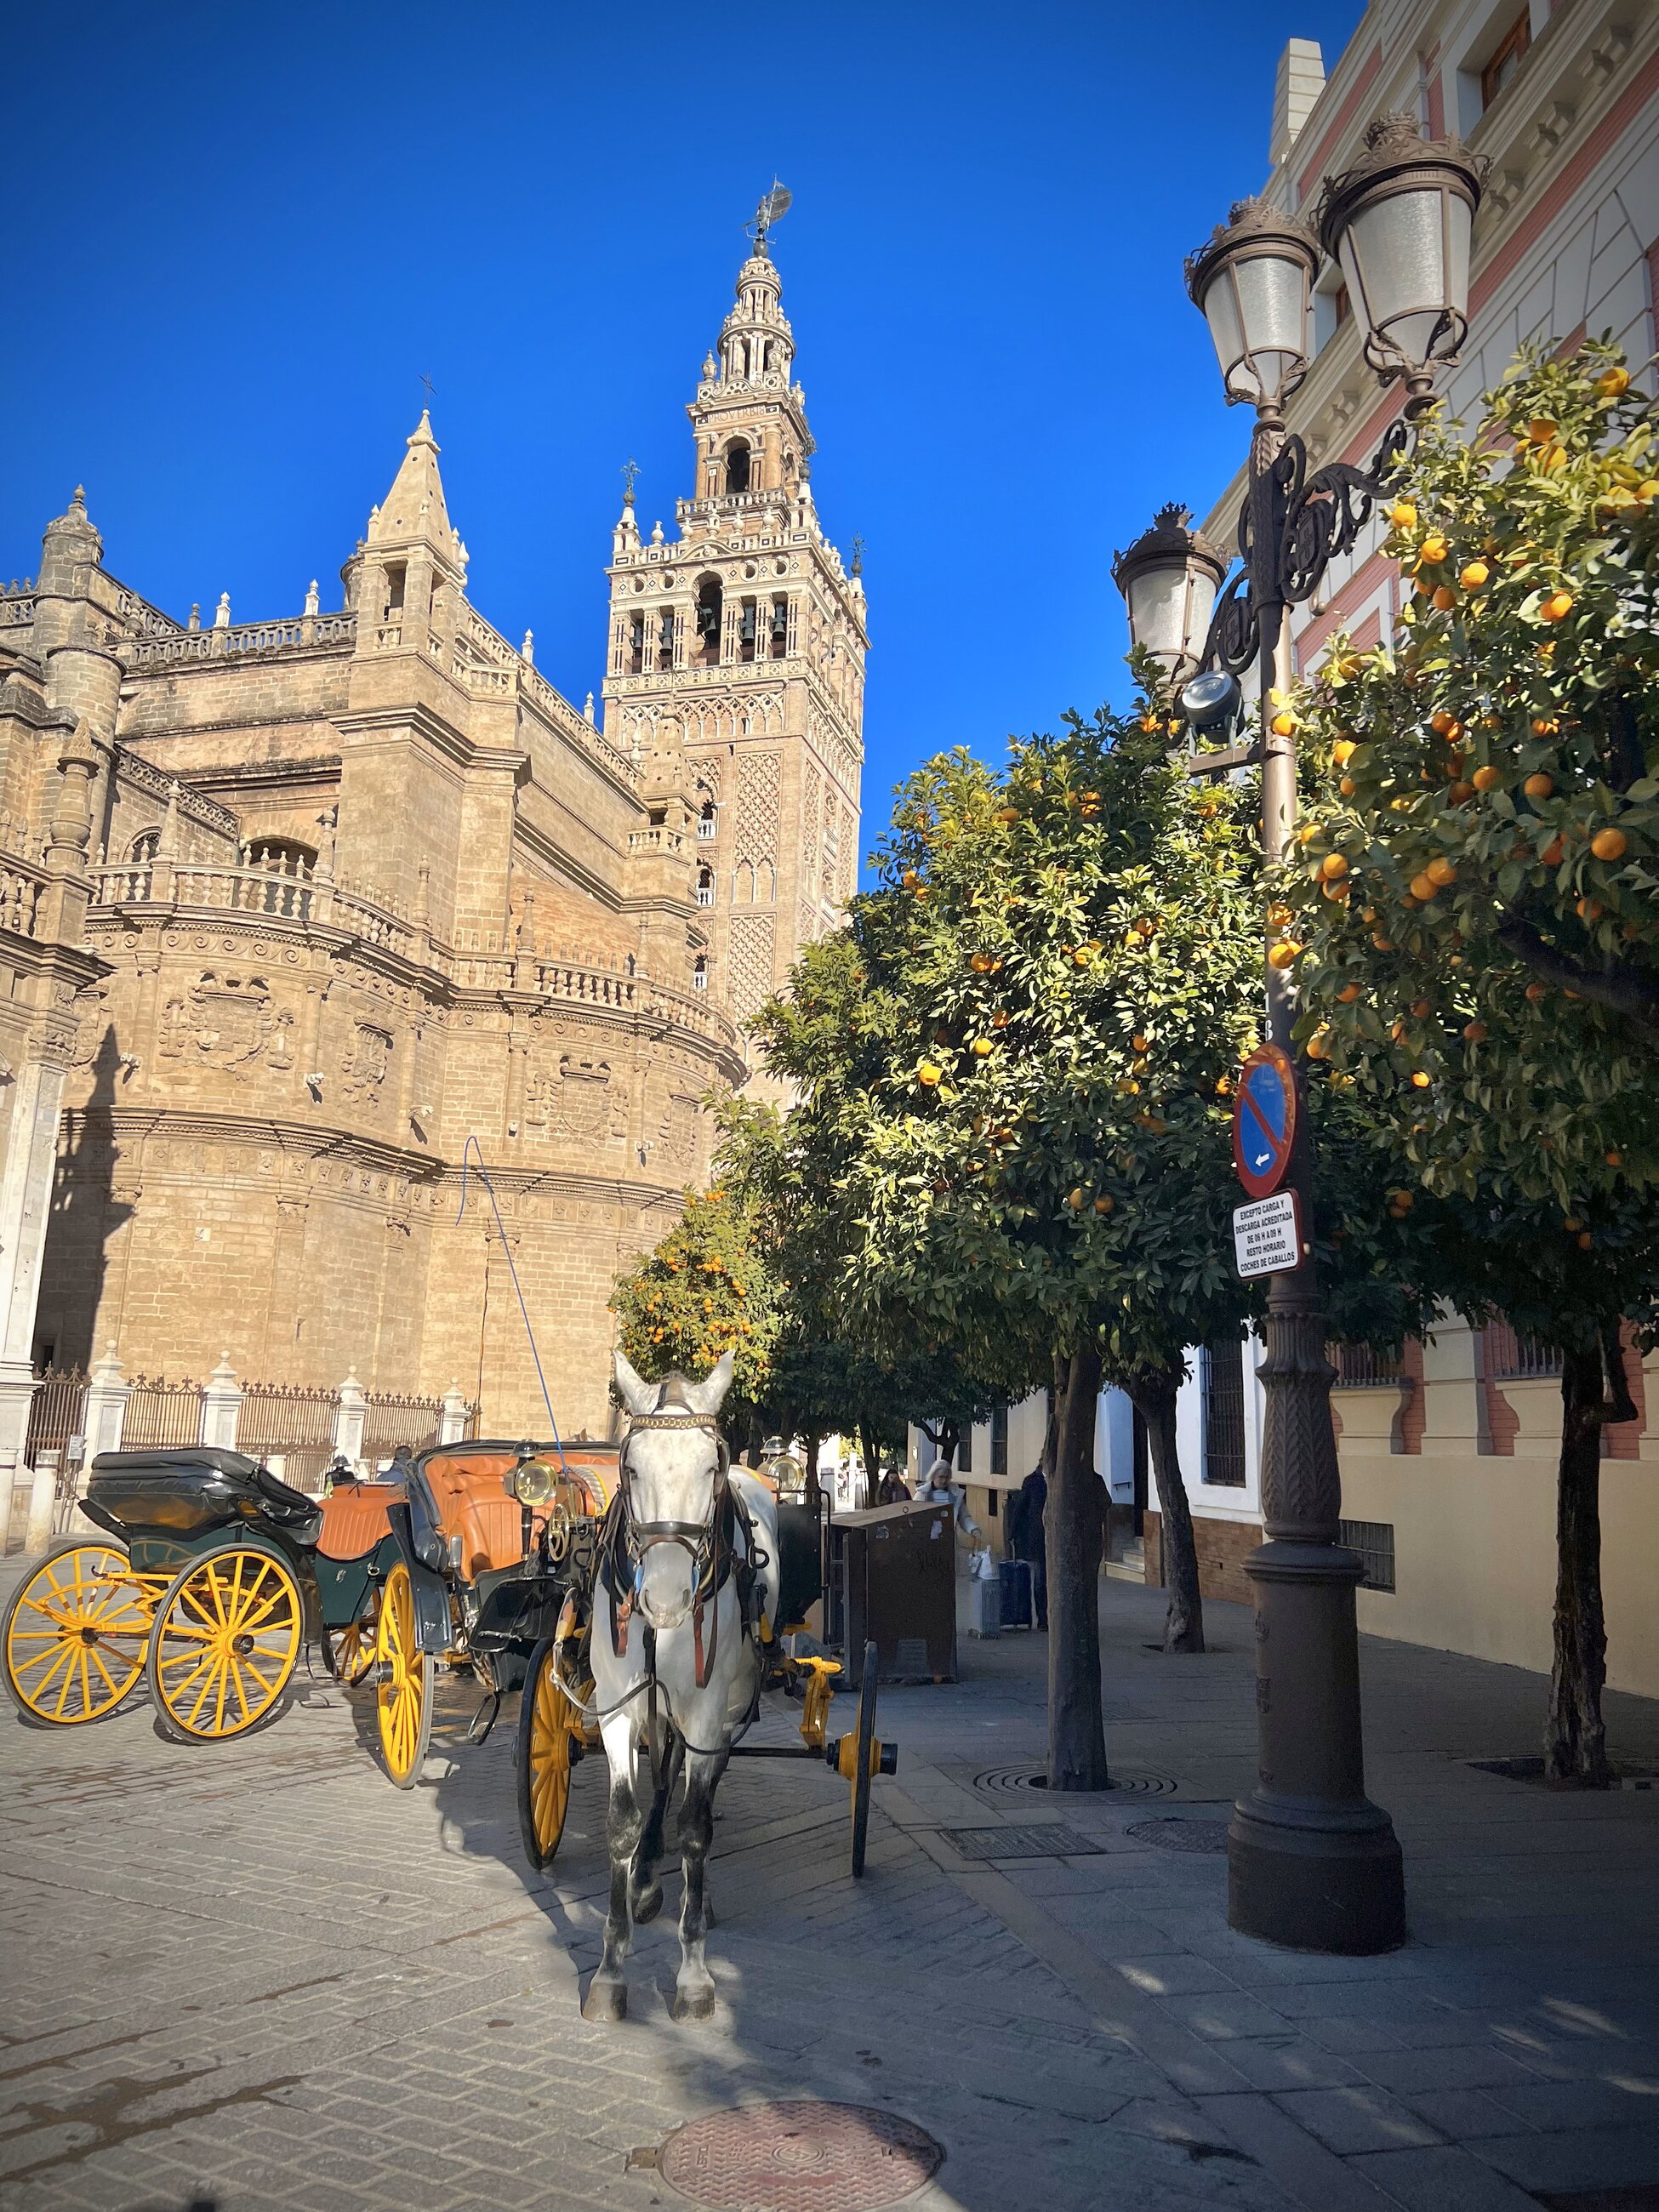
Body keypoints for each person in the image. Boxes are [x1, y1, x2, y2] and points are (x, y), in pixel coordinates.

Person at [1006, 1463, 1048, 1629]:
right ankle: (1043, 1619)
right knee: (1041, 1580)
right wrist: (1013, 1534)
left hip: (1058, 1540)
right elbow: (1020, 1509)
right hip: (1038, 1539)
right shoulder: (1032, 1482)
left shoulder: (1062, 1481)